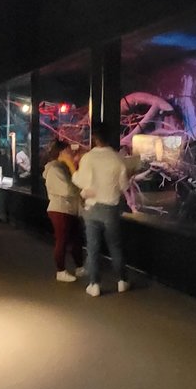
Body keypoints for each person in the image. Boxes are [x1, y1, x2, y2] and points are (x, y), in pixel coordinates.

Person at [72, 124, 130, 296]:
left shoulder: (88, 158)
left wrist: (74, 173)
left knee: (93, 247)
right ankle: (122, 281)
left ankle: (94, 284)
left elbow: (81, 181)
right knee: (115, 246)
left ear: (95, 139)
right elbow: (124, 185)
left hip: (92, 208)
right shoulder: (117, 159)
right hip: (111, 209)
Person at [43, 140, 86, 282]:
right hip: (60, 209)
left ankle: (79, 266)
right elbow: (68, 189)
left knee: (75, 239)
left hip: (70, 209)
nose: (71, 153)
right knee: (62, 240)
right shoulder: (55, 169)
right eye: (68, 150)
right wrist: (79, 190)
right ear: (60, 152)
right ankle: (61, 270)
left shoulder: (62, 167)